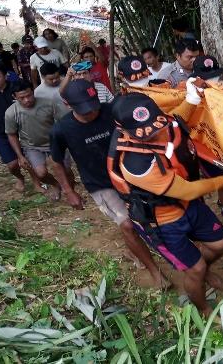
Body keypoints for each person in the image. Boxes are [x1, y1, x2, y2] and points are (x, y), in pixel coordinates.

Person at [108, 81, 223, 314]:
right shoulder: (136, 165)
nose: (155, 136)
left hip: (189, 206)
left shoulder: (164, 123)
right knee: (194, 271)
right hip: (163, 220)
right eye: (146, 134)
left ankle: (201, 268)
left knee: (222, 244)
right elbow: (188, 190)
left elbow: (178, 120)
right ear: (123, 131)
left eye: (156, 128)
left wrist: (193, 99)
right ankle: (203, 309)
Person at [49, 80, 167, 288]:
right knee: (127, 224)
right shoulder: (61, 130)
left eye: (94, 107)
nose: (93, 113)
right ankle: (154, 271)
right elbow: (57, 162)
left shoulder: (113, 110)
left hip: (130, 174)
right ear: (68, 105)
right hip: (100, 183)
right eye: (86, 111)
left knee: (152, 216)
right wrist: (69, 191)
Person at [5, 80, 65, 199]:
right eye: (22, 97)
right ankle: (56, 184)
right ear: (14, 97)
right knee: (41, 174)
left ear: (33, 91)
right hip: (32, 146)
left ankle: (70, 190)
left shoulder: (48, 103)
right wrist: (20, 156)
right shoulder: (11, 113)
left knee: (65, 170)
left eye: (29, 95)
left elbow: (63, 121)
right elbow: (11, 134)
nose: (27, 100)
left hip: (54, 143)